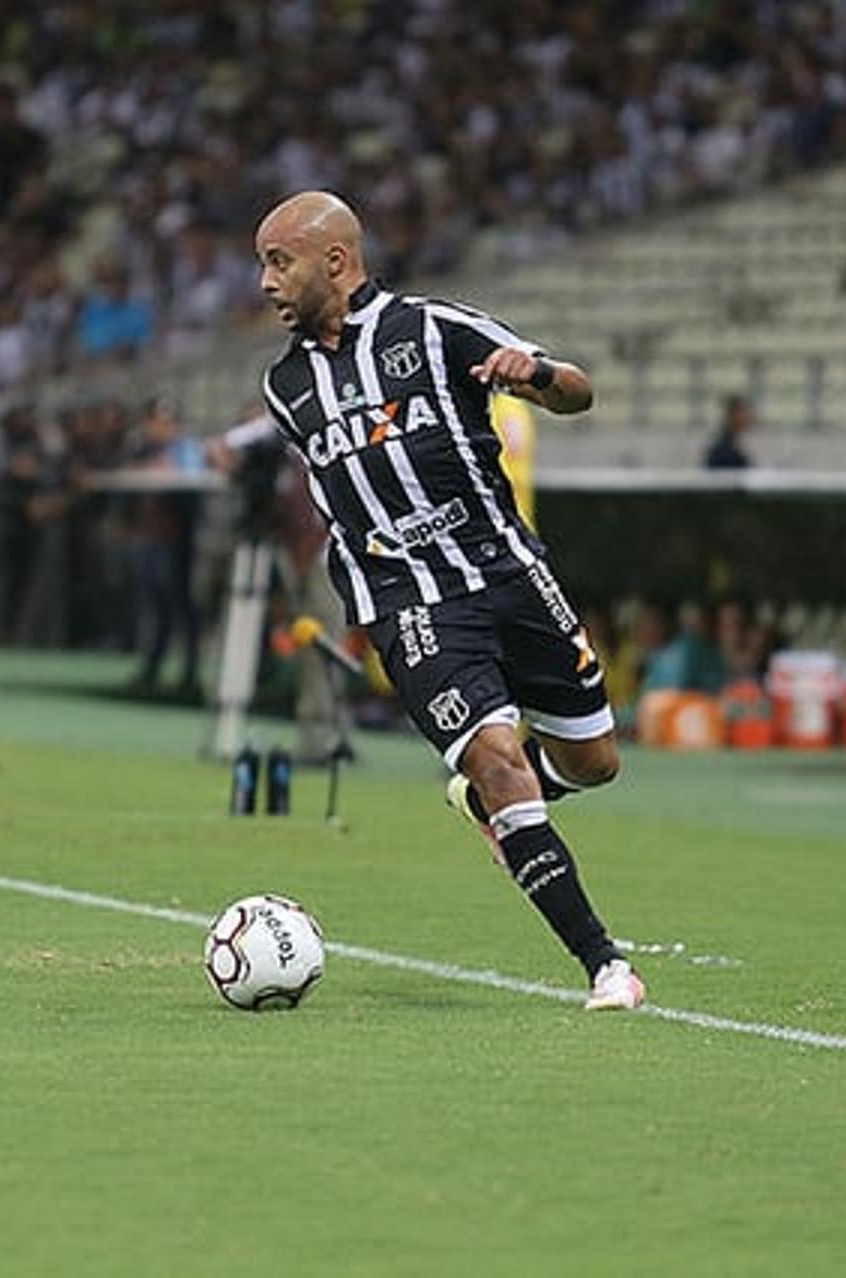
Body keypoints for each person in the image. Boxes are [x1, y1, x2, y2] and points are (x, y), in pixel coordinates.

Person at [252, 191, 643, 1011]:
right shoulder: (286, 385)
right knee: (497, 758)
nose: (265, 282)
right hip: (410, 602)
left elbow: (577, 389)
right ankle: (605, 964)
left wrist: (533, 378)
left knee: (593, 763)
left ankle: (491, 800)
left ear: (335, 260)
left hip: (508, 574)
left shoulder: (433, 330)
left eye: (278, 261)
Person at [703, 394, 755, 469]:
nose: (747, 417)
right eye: (742, 412)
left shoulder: (730, 445)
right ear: (731, 415)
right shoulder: (723, 451)